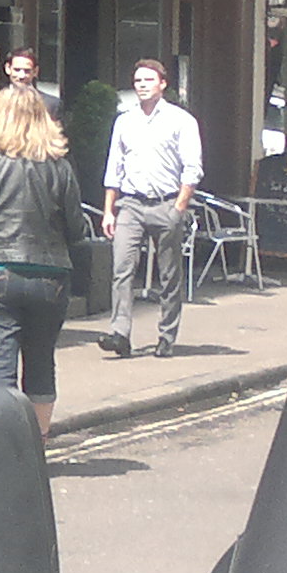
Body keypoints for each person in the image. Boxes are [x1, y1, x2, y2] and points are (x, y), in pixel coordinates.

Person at [0, 83, 81, 435]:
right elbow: (77, 229)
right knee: (40, 362)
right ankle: (35, 448)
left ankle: (4, 452)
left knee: (0, 367)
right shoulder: (61, 167)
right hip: (50, 274)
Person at [102, 56, 203, 359]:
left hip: (166, 203)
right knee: (121, 269)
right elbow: (113, 168)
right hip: (130, 204)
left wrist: (179, 207)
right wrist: (109, 210)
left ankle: (167, 336)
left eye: (148, 80)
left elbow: (192, 167)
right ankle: (120, 333)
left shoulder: (181, 120)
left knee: (169, 275)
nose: (142, 86)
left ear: (163, 84)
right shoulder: (124, 120)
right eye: (138, 81)